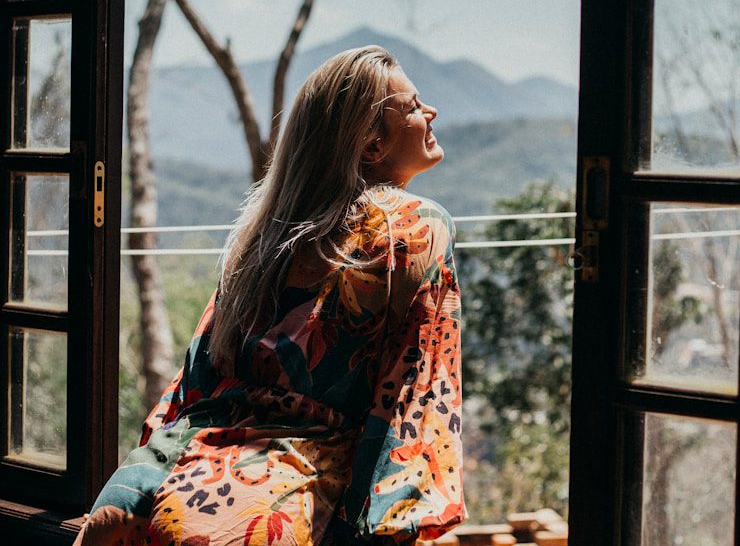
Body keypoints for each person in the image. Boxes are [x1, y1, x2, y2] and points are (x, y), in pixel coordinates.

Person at [75, 46, 465, 546]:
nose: (430, 111)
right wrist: (383, 522)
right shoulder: (415, 225)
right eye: (412, 106)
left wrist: (149, 468)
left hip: (170, 467)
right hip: (289, 477)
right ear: (371, 145)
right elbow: (416, 385)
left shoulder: (264, 232)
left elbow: (200, 370)